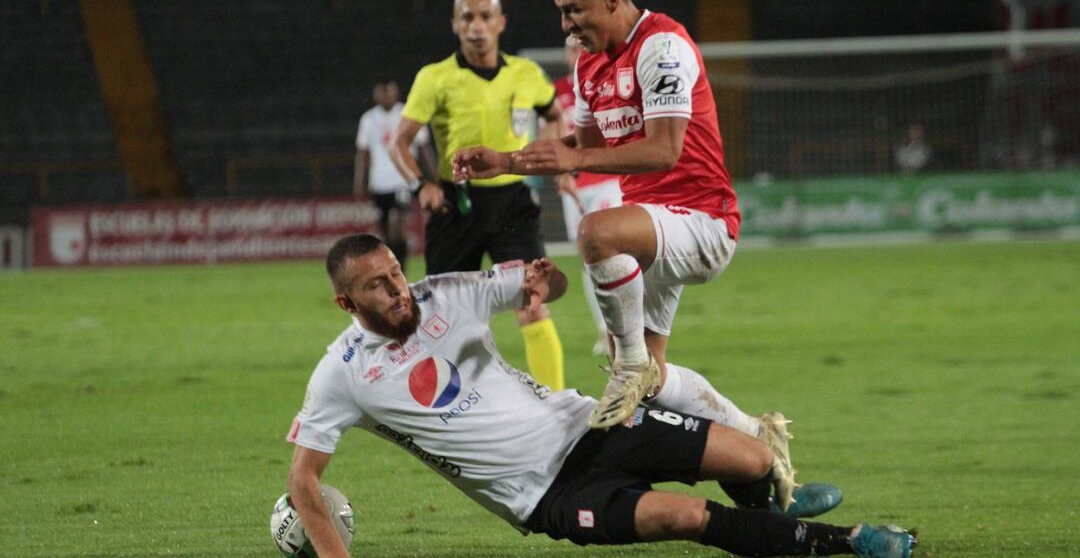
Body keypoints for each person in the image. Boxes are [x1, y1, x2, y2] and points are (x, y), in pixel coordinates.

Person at [284, 234, 917, 558]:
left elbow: (544, 284)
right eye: (378, 286)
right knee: (684, 517)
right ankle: (845, 541)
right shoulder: (340, 376)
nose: (399, 289)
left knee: (754, 461)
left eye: (396, 270)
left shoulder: (444, 292)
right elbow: (304, 481)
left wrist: (543, 283)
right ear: (347, 303)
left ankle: (770, 528)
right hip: (546, 496)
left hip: (591, 424)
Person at [452, 0, 799, 509]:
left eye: (574, 10)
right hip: (652, 229)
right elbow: (582, 147)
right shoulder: (588, 63)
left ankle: (629, 366)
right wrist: (509, 162)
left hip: (703, 221)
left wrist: (572, 160)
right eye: (561, 10)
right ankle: (759, 439)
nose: (566, 24)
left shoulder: (663, 45)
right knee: (655, 382)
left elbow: (663, 150)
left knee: (595, 233)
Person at [387, 0, 567, 391]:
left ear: (501, 23)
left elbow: (555, 114)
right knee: (448, 318)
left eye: (485, 16)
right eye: (467, 17)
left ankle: (558, 408)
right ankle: (459, 411)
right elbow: (398, 142)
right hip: (457, 206)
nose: (477, 26)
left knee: (532, 303)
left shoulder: (526, 74)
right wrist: (421, 186)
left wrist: (549, 157)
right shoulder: (435, 78)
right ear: (455, 24)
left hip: (514, 206)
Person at [551, 34, 624, 355]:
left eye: (580, 47)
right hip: (575, 186)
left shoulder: (605, 84)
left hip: (607, 180)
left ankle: (628, 327)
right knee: (588, 260)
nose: (576, 53)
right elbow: (551, 135)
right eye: (570, 48)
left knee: (618, 254)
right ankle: (603, 328)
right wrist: (560, 174)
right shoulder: (556, 93)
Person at [353, 78, 433, 271]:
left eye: (389, 91)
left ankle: (401, 271)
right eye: (382, 91)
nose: (386, 95)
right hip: (379, 184)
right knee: (384, 232)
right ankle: (388, 270)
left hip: (403, 180)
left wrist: (433, 177)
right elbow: (363, 153)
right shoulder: (369, 119)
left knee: (399, 224)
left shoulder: (408, 114)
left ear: (396, 93)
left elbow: (423, 148)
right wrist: (359, 182)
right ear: (376, 94)